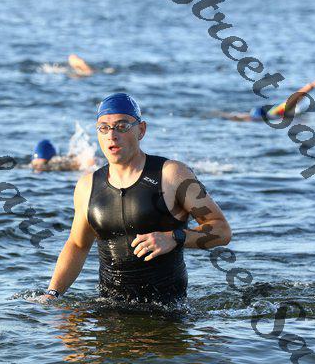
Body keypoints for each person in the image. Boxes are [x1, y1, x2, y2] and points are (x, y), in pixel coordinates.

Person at [41, 92, 231, 305]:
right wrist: (52, 294)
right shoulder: (87, 186)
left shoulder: (172, 174)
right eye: (104, 128)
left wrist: (174, 237)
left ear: (141, 130)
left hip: (167, 311)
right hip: (108, 310)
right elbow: (78, 245)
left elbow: (221, 230)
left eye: (122, 126)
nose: (112, 135)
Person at [217, 77, 315, 122]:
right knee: (250, 119)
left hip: (264, 113)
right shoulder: (285, 109)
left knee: (246, 118)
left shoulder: (286, 109)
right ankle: (230, 116)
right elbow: (297, 96)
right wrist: (312, 85)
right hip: (266, 115)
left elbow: (298, 97)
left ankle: (228, 116)